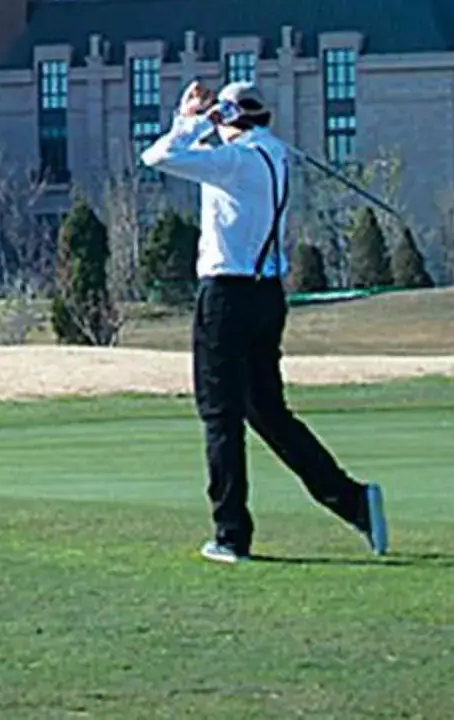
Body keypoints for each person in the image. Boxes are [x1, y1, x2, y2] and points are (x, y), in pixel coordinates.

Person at [142, 76, 387, 563]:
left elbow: (158, 157)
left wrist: (191, 119)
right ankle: (351, 500)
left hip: (227, 295)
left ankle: (231, 534)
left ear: (230, 118)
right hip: (266, 296)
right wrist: (208, 122)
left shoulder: (234, 161)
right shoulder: (272, 154)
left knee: (220, 416)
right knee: (268, 413)